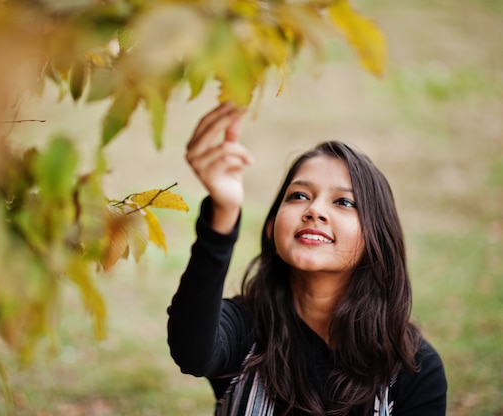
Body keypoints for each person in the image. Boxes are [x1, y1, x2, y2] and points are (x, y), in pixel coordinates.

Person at [167, 102, 447, 415]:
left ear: (376, 238)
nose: (314, 210)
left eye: (343, 201)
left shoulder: (415, 368)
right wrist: (223, 214)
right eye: (299, 196)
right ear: (272, 229)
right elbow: (190, 351)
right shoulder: (244, 330)